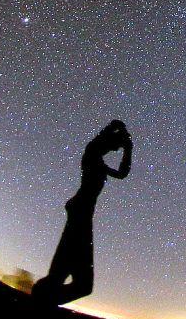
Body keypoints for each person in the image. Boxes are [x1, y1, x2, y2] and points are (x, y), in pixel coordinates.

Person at [32, 120, 133, 306]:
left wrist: (128, 149)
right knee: (80, 284)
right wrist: (116, 129)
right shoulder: (92, 152)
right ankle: (40, 300)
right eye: (115, 146)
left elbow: (122, 173)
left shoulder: (99, 162)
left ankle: (41, 299)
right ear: (108, 141)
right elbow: (103, 137)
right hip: (80, 213)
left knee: (70, 279)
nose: (115, 150)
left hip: (82, 214)